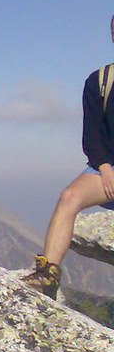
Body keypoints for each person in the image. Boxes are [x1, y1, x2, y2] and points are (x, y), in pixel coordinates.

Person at [21, 15, 114, 299]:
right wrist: (106, 167)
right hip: (107, 168)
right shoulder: (100, 81)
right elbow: (92, 136)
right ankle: (47, 275)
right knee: (69, 197)